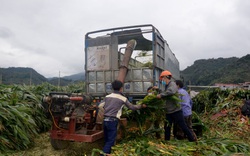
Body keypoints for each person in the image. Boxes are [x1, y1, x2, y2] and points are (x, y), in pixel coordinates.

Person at [102, 80, 146, 155]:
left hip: (105, 120)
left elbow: (103, 106)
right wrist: (141, 106)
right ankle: (103, 153)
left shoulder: (107, 97)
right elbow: (132, 107)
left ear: (112, 88)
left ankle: (107, 153)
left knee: (106, 139)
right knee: (111, 140)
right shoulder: (123, 98)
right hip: (112, 121)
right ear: (121, 88)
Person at [155, 70, 196, 142]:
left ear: (165, 77)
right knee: (167, 127)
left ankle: (192, 139)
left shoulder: (172, 84)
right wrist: (158, 90)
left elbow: (171, 92)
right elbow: (166, 93)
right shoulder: (167, 86)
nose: (162, 80)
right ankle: (166, 141)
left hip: (176, 111)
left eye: (162, 78)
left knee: (183, 126)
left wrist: (161, 95)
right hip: (169, 111)